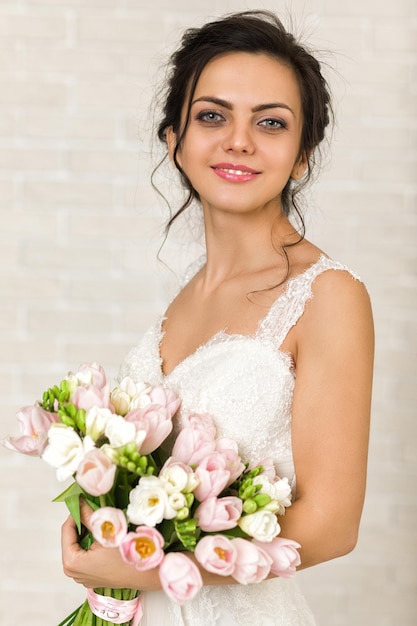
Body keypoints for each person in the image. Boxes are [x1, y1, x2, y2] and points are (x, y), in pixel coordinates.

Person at [61, 10, 374, 625]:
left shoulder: (328, 295)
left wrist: (148, 564)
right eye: (212, 115)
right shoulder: (184, 299)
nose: (239, 140)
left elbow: (332, 525)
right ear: (174, 141)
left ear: (302, 154)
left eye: (271, 123)